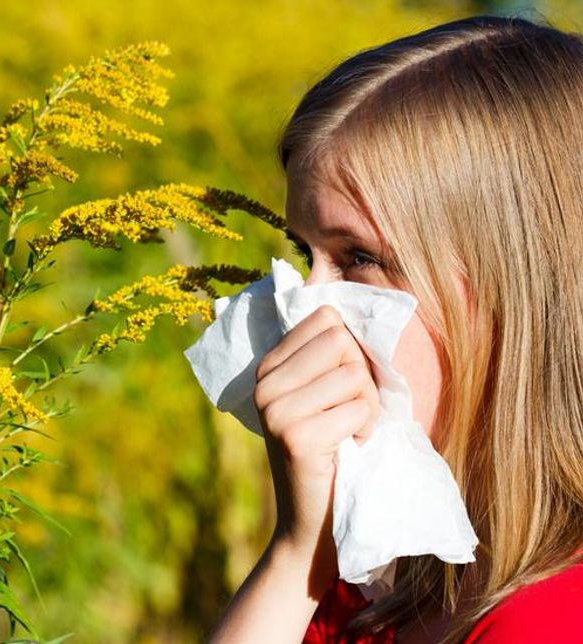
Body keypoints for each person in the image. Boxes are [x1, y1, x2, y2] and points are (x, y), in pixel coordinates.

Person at [208, 14, 583, 643]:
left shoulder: (554, 617)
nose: (308, 308)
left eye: (358, 258)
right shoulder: (378, 587)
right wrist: (301, 550)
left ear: (511, 289)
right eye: (306, 256)